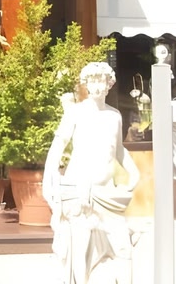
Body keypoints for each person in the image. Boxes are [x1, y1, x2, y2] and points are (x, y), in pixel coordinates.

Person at [42, 61, 140, 284]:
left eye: (101, 81)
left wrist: (134, 173)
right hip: (80, 192)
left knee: (123, 247)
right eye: (93, 81)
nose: (97, 86)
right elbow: (58, 146)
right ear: (86, 84)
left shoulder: (114, 116)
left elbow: (118, 150)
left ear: (109, 84)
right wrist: (49, 180)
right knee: (81, 250)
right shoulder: (76, 113)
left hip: (107, 193)